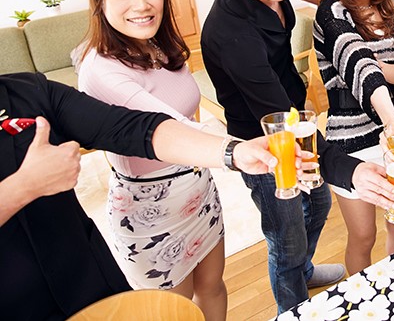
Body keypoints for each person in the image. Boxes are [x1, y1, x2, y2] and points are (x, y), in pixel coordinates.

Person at [201, 0, 394, 312]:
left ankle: (303, 271)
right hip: (261, 140)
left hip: (292, 117)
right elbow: (276, 116)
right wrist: (351, 169)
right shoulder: (231, 34)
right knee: (285, 235)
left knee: (320, 202)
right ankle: (291, 306)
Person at [0, 72, 283, 320]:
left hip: (88, 280)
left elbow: (128, 127)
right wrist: (23, 186)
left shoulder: (28, 91)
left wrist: (233, 152)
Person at [77, 0, 228, 320]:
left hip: (198, 190)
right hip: (150, 213)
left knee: (213, 287)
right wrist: (238, 150)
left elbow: (188, 105)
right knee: (174, 313)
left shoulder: (159, 45)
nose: (142, 4)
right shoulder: (99, 69)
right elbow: (169, 124)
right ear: (100, 0)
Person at [314, 0, 394, 274]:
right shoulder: (330, 13)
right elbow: (358, 64)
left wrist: (383, 69)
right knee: (363, 237)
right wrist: (391, 121)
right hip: (352, 143)